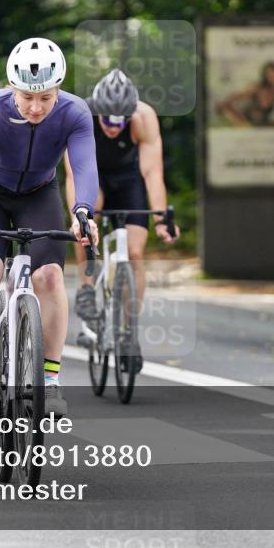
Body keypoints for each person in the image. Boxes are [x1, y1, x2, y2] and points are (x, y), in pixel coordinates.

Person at [0, 37, 99, 418]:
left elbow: (83, 168)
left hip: (39, 193)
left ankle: (49, 379)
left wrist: (83, 212)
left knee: (49, 276)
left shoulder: (75, 113)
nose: (35, 107)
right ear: (12, 87)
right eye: (27, 97)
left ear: (58, 91)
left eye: (46, 98)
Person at [63, 69, 179, 364]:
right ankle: (88, 288)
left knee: (136, 253)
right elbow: (73, 174)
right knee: (86, 221)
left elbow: (152, 173)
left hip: (129, 179)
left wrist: (162, 218)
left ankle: (129, 331)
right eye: (107, 119)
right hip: (93, 176)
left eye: (120, 120)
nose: (113, 126)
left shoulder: (144, 117)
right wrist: (80, 217)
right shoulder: (81, 116)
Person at [215, 61, 274, 127]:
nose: (271, 77)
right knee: (224, 108)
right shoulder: (257, 87)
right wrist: (225, 104)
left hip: (263, 122)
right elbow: (237, 95)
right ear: (264, 75)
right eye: (268, 74)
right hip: (246, 120)